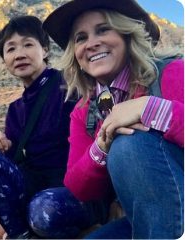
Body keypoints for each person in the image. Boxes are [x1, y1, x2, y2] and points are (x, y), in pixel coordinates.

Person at [43, 0, 183, 238]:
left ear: (127, 34)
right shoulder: (83, 111)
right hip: (139, 218)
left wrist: (150, 108)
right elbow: (77, 187)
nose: (91, 43)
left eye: (103, 29)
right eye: (81, 38)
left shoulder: (171, 72)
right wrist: (102, 144)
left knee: (129, 144)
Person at [0, 16, 101, 239]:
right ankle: (21, 235)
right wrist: (1, 146)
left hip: (72, 190)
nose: (19, 54)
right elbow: (18, 160)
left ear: (45, 51)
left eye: (28, 44)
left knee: (42, 211)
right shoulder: (15, 109)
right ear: (5, 60)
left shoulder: (70, 85)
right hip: (34, 187)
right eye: (11, 49)